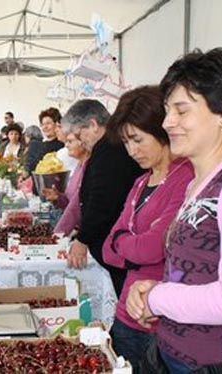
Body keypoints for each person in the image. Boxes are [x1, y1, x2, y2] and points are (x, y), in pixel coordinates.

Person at [126, 48, 222, 374]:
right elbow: (195, 271)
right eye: (166, 109)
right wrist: (149, 291)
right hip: (175, 356)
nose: (167, 122)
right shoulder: (197, 182)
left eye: (181, 110)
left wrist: (158, 297)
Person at [100, 86, 193, 371]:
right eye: (127, 142)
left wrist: (125, 241)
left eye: (138, 140)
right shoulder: (141, 182)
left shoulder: (187, 178)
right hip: (126, 317)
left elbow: (153, 246)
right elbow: (107, 249)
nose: (132, 151)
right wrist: (133, 245)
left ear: (161, 131)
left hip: (160, 322)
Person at [64, 99, 143, 297]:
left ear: (92, 124)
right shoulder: (106, 148)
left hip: (116, 245)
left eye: (80, 134)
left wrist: (83, 239)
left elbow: (102, 201)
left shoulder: (110, 150)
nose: (80, 141)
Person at [43, 131, 89, 236]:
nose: (66, 145)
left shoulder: (88, 168)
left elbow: (77, 205)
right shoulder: (79, 165)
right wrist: (58, 197)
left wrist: (58, 234)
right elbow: (70, 201)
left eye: (70, 141)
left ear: (83, 143)